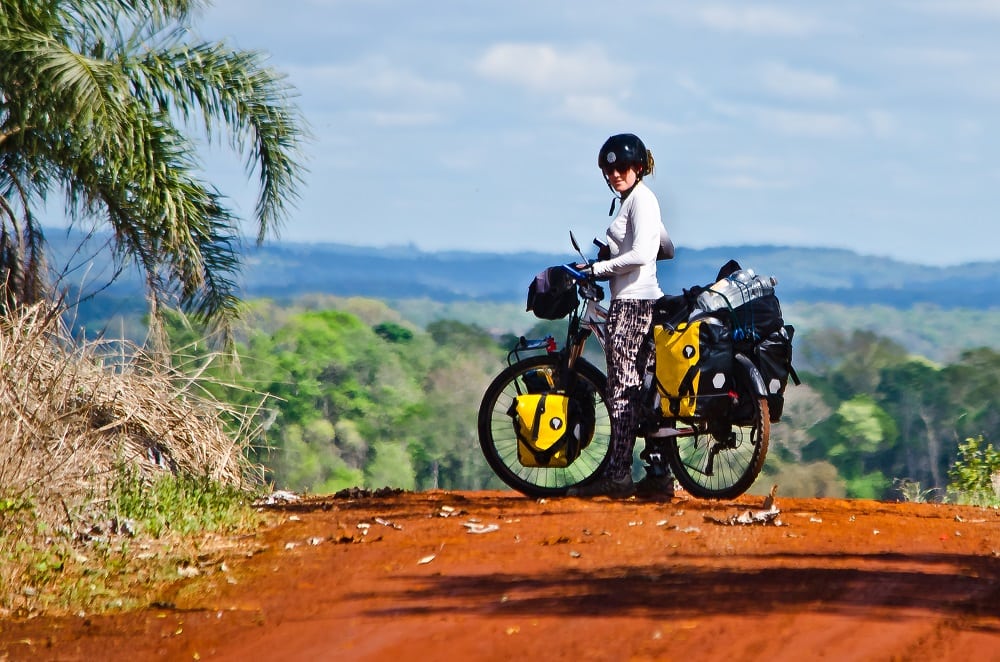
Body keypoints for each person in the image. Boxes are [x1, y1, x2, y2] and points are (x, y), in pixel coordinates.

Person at [567, 133, 675, 499]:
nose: (615, 174)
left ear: (639, 168)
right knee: (646, 392)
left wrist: (601, 268)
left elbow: (645, 254)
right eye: (608, 169)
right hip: (649, 301)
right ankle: (659, 475)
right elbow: (667, 247)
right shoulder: (638, 200)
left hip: (632, 305)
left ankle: (617, 477)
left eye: (622, 167)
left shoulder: (640, 201)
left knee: (622, 393)